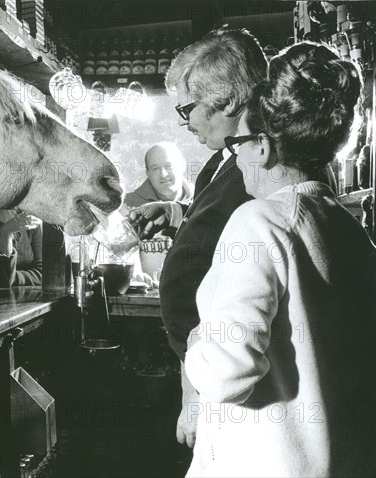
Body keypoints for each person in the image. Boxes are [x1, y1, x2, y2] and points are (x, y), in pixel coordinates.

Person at [184, 42, 376, 477]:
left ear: (263, 147)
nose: (234, 157)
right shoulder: (352, 234)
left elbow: (226, 374)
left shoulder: (259, 222)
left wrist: (196, 345)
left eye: (238, 144)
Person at [128, 28, 266, 448]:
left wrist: (195, 391)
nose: (185, 123)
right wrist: (175, 214)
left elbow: (248, 282)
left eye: (188, 109)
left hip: (222, 375)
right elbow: (217, 225)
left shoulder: (262, 167)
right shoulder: (221, 161)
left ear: (226, 100)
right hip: (198, 360)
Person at [124, 142, 193, 208]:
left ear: (182, 166)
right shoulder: (127, 205)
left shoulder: (200, 200)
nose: (163, 174)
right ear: (148, 174)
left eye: (168, 166)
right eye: (155, 169)